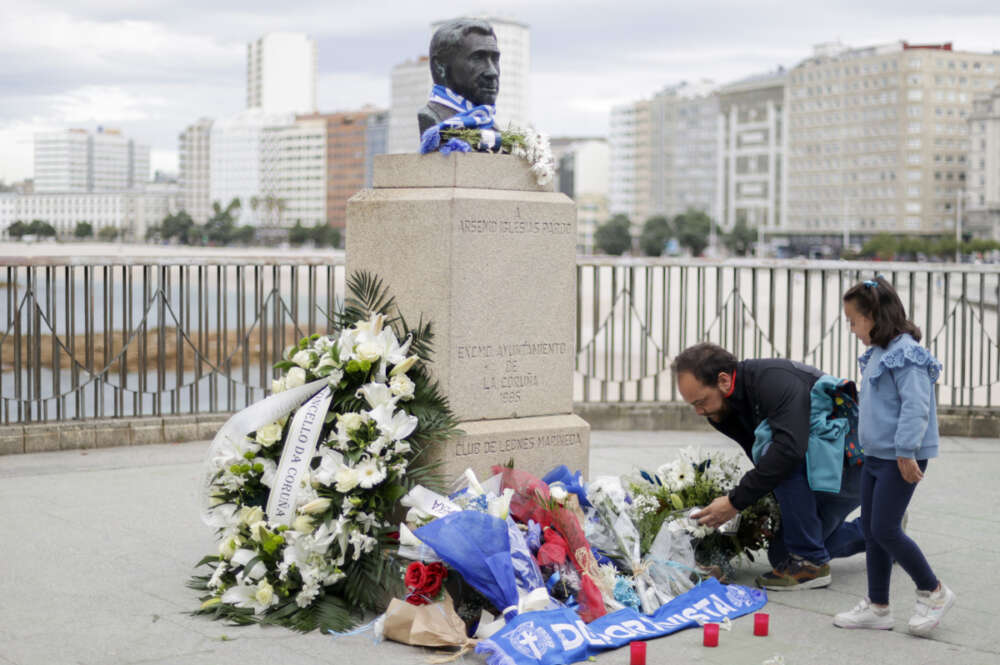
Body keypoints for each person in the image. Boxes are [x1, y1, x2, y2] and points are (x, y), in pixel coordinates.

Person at [673, 344, 866, 591]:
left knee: (775, 454)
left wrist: (735, 501)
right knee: (782, 556)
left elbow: (787, 451)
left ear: (723, 380)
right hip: (815, 467)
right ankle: (879, 533)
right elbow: (761, 459)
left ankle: (811, 563)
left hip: (851, 465)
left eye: (701, 401)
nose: (699, 411)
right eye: (693, 405)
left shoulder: (774, 380)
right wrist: (770, 508)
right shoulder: (721, 411)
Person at [834, 276, 955, 635]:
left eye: (854, 321)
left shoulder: (906, 352)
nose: (853, 329)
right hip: (877, 455)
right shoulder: (880, 353)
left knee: (886, 528)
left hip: (900, 457)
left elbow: (916, 407)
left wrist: (906, 453)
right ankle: (878, 606)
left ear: (873, 315)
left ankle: (933, 591)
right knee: (873, 531)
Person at [417, 19, 501, 135]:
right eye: (477, 58)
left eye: (495, 59)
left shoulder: (490, 126)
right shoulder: (434, 118)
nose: (492, 72)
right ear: (439, 66)